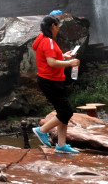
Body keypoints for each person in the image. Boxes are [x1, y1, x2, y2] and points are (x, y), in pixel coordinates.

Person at [31, 15, 81, 154]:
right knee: (66, 112)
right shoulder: (48, 42)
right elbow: (51, 62)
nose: (59, 29)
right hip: (50, 81)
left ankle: (61, 144)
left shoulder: (42, 39)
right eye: (58, 26)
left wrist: (63, 56)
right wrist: (70, 63)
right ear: (53, 26)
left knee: (62, 112)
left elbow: (51, 57)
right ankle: (41, 130)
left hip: (50, 80)